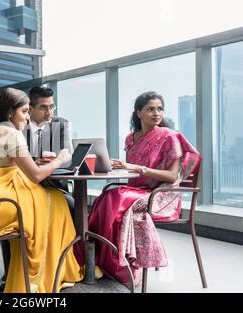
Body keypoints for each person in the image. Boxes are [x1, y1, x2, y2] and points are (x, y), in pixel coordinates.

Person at [0, 88, 83, 293]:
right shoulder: (12, 133)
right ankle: (42, 277)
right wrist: (59, 160)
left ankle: (30, 271)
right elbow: (37, 176)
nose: (28, 118)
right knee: (56, 203)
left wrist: (35, 163)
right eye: (25, 112)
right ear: (10, 112)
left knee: (49, 201)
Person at [74, 91, 201, 287]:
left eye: (159, 109)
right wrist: (121, 166)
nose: (156, 113)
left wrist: (137, 168)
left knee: (115, 198)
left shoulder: (170, 137)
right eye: (150, 109)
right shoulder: (130, 139)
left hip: (160, 195)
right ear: (138, 113)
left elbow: (171, 176)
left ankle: (117, 266)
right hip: (135, 190)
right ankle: (95, 260)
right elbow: (134, 176)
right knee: (105, 198)